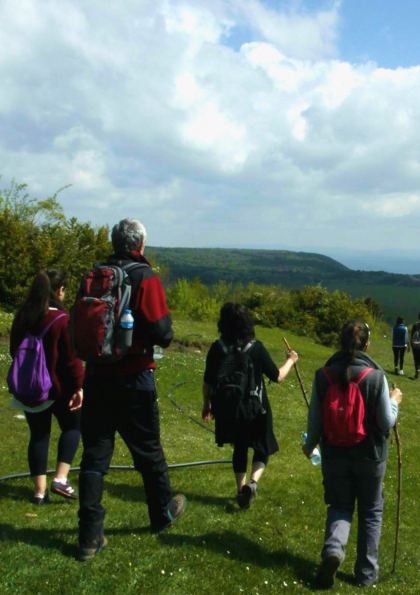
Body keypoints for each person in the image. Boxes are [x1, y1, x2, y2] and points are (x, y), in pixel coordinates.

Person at [77, 218, 186, 561]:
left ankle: (89, 536)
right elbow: (163, 332)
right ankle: (162, 513)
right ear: (140, 244)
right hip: (134, 378)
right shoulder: (144, 276)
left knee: (94, 456)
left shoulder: (96, 275)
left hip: (96, 376)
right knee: (148, 451)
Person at [303, 319, 402, 588]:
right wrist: (394, 401)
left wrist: (310, 444)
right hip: (370, 456)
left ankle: (334, 550)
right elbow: (384, 421)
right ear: (367, 345)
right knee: (370, 512)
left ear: (340, 342)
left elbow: (315, 419)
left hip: (334, 453)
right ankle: (366, 573)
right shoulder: (375, 377)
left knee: (340, 505)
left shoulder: (323, 375)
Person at [202, 302, 298, 509]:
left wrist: (206, 405)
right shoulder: (256, 348)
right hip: (256, 408)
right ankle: (253, 483)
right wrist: (291, 360)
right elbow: (277, 376)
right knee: (262, 445)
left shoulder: (217, 348)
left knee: (239, 448)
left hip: (228, 409)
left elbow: (208, 381)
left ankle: (240, 489)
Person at [9, 269, 84, 504]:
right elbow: (71, 360)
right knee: (73, 427)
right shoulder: (61, 320)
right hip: (57, 388)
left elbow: (15, 351)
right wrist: (79, 386)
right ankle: (61, 478)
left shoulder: (22, 317)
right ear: (59, 291)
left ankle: (39, 492)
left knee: (38, 436)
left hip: (30, 388)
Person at [410, 313, 420, 379]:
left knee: (416, 359)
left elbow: (412, 336)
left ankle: (417, 370)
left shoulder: (415, 325)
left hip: (415, 345)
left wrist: (411, 344)